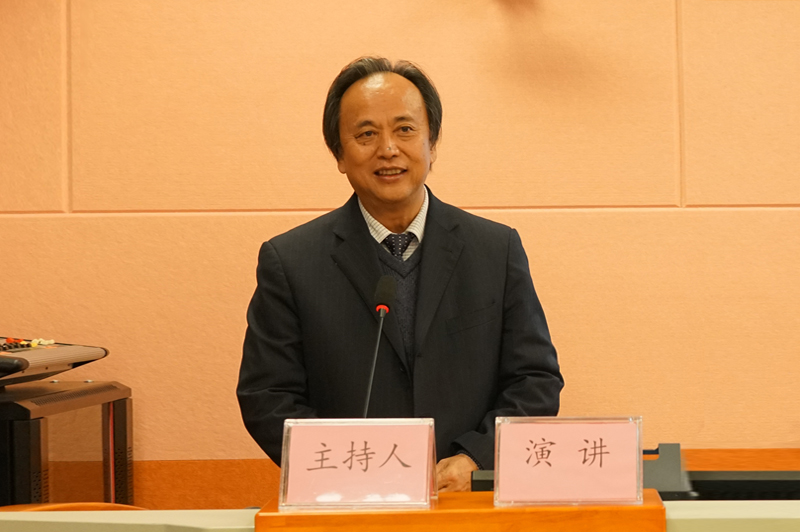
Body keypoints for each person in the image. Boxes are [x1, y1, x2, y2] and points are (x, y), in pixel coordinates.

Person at [237, 57, 563, 492]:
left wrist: (477, 459)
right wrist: (347, 468)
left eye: (405, 129)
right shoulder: (291, 261)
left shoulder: (495, 250)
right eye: (366, 134)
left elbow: (535, 380)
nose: (388, 149)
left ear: (432, 143)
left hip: (469, 502)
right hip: (350, 503)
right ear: (339, 154)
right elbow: (267, 397)